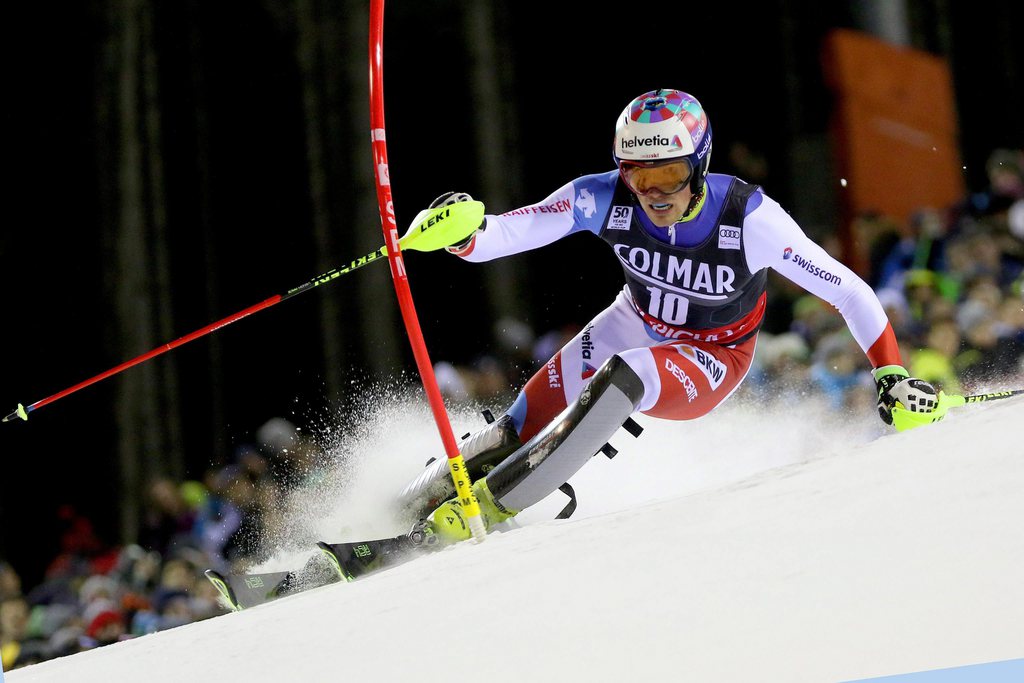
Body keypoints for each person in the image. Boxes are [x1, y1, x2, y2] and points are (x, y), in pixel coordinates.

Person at [395, 88, 940, 545]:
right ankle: (415, 497)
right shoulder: (603, 197)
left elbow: (849, 291)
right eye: (639, 176)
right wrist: (464, 232)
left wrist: (890, 373)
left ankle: (491, 507)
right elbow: (510, 232)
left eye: (671, 175)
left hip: (714, 355)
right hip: (633, 319)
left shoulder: (750, 218)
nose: (654, 195)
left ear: (700, 164)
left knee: (627, 374)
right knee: (517, 425)